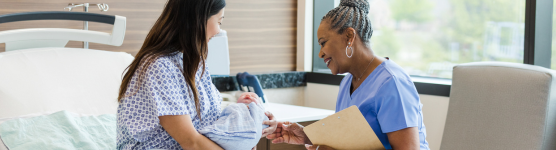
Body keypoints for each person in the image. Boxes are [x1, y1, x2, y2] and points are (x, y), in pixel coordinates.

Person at [267, 0, 429, 149]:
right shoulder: (347, 83)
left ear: (349, 37)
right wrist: (308, 136)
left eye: (323, 43)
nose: (320, 54)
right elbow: (349, 140)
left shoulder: (392, 83)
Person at [115, 0, 278, 149]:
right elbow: (190, 141)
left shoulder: (194, 62)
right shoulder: (159, 66)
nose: (219, 30)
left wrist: (247, 117)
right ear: (198, 19)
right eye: (219, 21)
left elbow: (208, 121)